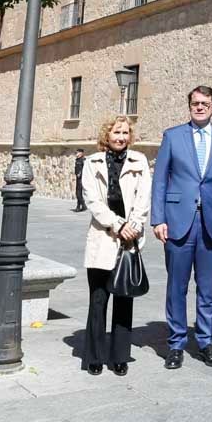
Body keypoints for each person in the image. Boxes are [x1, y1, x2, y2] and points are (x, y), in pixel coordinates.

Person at [150, 85, 212, 370]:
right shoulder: (173, 137)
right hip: (178, 221)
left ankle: (205, 341)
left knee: (208, 287)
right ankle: (176, 343)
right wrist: (158, 218)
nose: (199, 107)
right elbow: (160, 180)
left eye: (205, 103)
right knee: (177, 286)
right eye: (195, 103)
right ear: (189, 106)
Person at [80, 114, 151, 376]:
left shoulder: (139, 161)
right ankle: (95, 356)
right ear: (106, 135)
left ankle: (120, 355)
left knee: (124, 297)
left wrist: (133, 225)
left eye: (125, 133)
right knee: (98, 299)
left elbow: (144, 197)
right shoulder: (91, 162)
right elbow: (92, 200)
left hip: (129, 240)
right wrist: (118, 224)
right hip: (103, 236)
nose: (121, 137)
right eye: (116, 132)